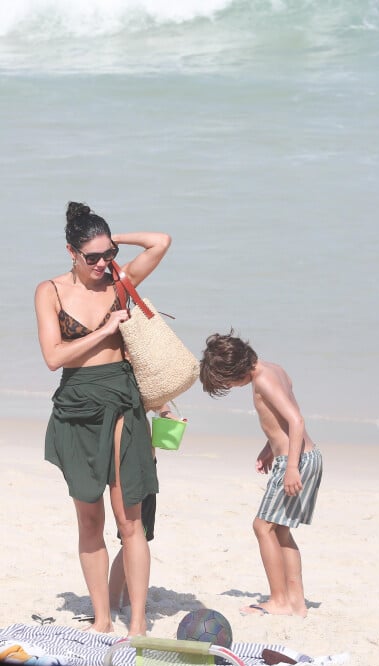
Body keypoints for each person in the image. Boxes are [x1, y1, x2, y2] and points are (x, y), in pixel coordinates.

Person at [34, 201, 172, 636]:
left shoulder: (119, 279)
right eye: (90, 256)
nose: (100, 264)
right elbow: (54, 358)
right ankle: (101, 618)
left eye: (106, 254)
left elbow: (161, 242)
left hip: (122, 398)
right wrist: (105, 331)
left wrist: (115, 243)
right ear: (70, 251)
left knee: (129, 517)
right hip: (77, 404)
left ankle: (138, 622)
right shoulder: (49, 291)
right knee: (89, 519)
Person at [199, 330, 323, 617]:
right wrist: (269, 447)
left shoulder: (263, 380)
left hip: (296, 460)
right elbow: (284, 417)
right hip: (306, 456)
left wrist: (291, 467)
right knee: (280, 529)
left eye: (226, 382)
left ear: (235, 371)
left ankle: (279, 600)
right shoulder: (275, 370)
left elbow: (296, 420)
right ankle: (297, 603)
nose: (229, 386)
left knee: (262, 526)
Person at [108, 403, 184, 612]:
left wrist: (166, 413)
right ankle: (115, 599)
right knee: (132, 539)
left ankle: (123, 598)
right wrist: (166, 412)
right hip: (135, 466)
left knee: (133, 539)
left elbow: (153, 393)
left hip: (144, 463)